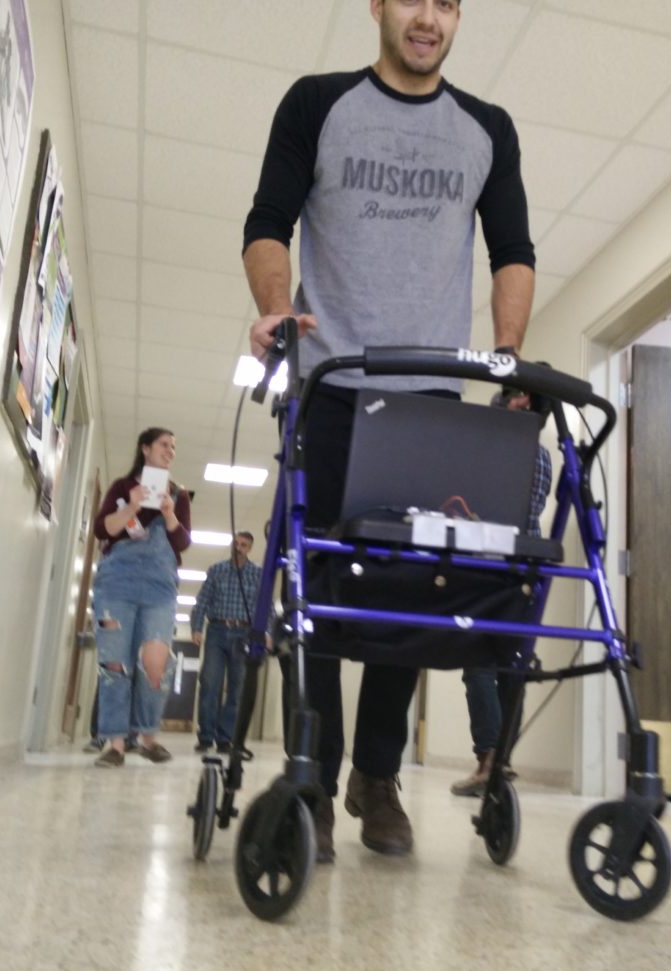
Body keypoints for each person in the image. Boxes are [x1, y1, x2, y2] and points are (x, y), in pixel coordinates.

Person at [242, 0, 535, 862]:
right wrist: (275, 310)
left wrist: (508, 355)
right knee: (325, 589)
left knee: (414, 594)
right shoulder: (317, 103)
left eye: (448, 3)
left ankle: (376, 773)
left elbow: (512, 250)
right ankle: (314, 774)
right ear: (377, 5)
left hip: (432, 401)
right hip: (333, 383)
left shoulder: (487, 130)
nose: (429, 18)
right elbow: (268, 224)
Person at [451, 388, 552, 795]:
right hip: (509, 567)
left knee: (490, 665)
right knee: (504, 666)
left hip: (500, 565)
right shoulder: (528, 450)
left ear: (525, 402)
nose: (502, 399)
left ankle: (491, 762)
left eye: (511, 394)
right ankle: (497, 760)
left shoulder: (515, 449)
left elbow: (494, 509)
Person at [89, 427, 192, 768]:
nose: (171, 451)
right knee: (115, 664)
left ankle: (148, 737)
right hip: (116, 583)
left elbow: (182, 544)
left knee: (156, 665)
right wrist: (133, 503)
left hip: (160, 587)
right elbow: (103, 530)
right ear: (145, 448)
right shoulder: (121, 486)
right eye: (165, 444)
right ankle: (116, 744)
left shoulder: (179, 495)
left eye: (174, 447)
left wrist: (169, 514)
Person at [189, 531, 261, 755]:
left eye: (244, 545)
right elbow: (203, 601)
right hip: (217, 631)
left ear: (249, 548)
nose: (238, 547)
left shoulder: (257, 574)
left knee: (237, 689)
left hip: (244, 633)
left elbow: (263, 606)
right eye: (236, 543)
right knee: (210, 682)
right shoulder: (216, 570)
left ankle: (225, 738)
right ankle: (206, 736)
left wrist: (265, 631)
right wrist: (196, 627)